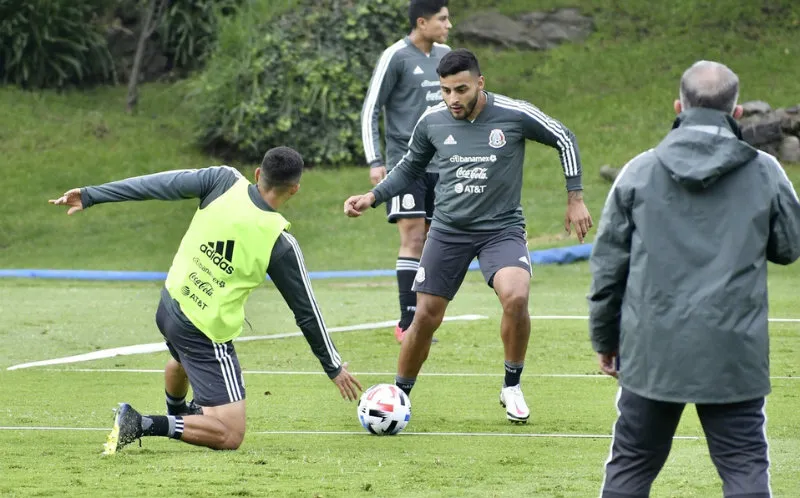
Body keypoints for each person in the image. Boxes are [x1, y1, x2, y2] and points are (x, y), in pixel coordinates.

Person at [49, 146, 363, 454]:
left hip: (170, 304)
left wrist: (91, 195)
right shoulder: (280, 243)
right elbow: (307, 312)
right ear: (294, 190)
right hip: (202, 331)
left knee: (181, 360)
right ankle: (141, 423)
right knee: (230, 433)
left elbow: (157, 185)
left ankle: (179, 413)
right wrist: (333, 367)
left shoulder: (222, 180)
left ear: (257, 174)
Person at [588, 60, 800, 497]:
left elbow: (609, 268)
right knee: (745, 466)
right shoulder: (765, 171)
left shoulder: (639, 171)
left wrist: (605, 340)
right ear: (736, 112)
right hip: (732, 348)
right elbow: (788, 247)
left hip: (651, 348)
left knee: (631, 463)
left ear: (678, 106)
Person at [346, 48, 592, 423]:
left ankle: (511, 385)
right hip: (447, 232)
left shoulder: (514, 114)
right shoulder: (432, 121)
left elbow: (565, 137)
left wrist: (575, 198)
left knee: (516, 296)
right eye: (445, 90)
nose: (452, 99)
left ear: (480, 83)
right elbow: (410, 165)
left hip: (501, 230)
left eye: (460, 90)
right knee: (425, 317)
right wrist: (373, 197)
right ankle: (400, 396)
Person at [361, 0, 452, 342]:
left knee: (432, 241)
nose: (448, 25)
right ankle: (407, 321)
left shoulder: (446, 54)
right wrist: (375, 161)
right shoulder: (395, 56)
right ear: (422, 21)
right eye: (443, 19)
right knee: (413, 238)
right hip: (405, 162)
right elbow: (371, 109)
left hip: (442, 164)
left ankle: (423, 318)